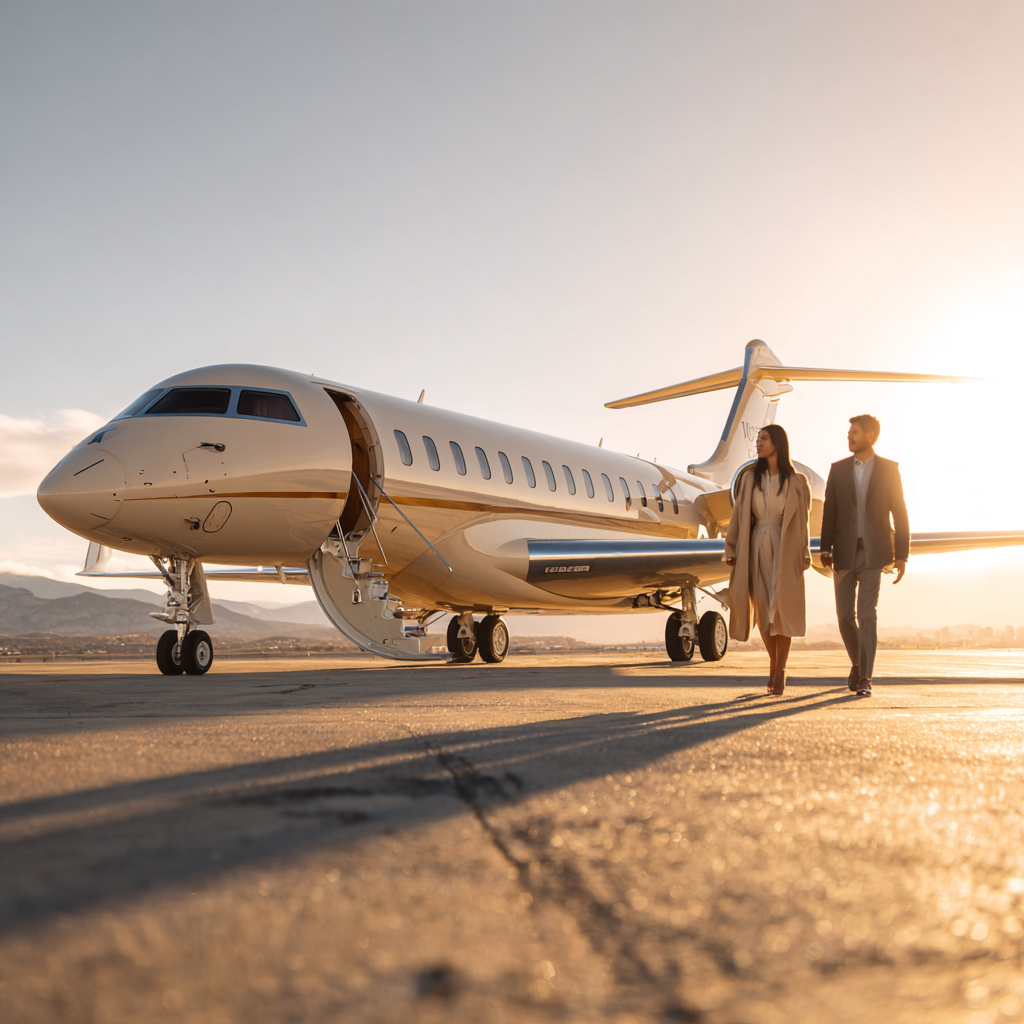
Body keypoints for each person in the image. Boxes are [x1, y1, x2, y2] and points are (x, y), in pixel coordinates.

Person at [819, 414, 909, 697]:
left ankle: (866, 678)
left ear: (869, 436)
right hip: (844, 552)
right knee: (845, 616)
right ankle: (857, 664)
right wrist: (825, 547)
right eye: (849, 433)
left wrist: (902, 555)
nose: (849, 436)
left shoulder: (889, 469)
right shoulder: (838, 470)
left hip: (874, 552)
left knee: (867, 614)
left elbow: (900, 512)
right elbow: (830, 511)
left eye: (854, 432)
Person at [725, 424, 812, 695]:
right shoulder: (750, 479)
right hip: (754, 546)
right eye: (758, 439)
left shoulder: (798, 482)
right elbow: (738, 515)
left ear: (778, 443)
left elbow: (803, 522)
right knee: (763, 610)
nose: (758, 443)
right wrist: (731, 548)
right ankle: (774, 663)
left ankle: (780, 669)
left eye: (764, 439)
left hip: (786, 548)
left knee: (781, 610)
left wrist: (805, 551)